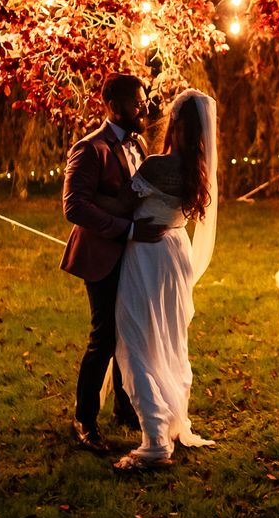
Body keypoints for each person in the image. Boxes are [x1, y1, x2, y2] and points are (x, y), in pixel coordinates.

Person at [101, 88, 218, 472]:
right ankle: (167, 419)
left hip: (148, 256)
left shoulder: (156, 166)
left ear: (176, 125)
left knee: (136, 340)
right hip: (175, 253)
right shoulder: (196, 169)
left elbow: (122, 205)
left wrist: (91, 200)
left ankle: (153, 440)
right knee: (169, 339)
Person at [60, 73, 167, 453]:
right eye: (137, 103)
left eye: (144, 101)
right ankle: (84, 420)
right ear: (114, 105)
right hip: (102, 256)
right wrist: (127, 229)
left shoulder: (137, 143)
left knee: (129, 333)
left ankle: (125, 407)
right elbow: (74, 207)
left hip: (133, 257)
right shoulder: (90, 149)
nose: (144, 108)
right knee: (103, 337)